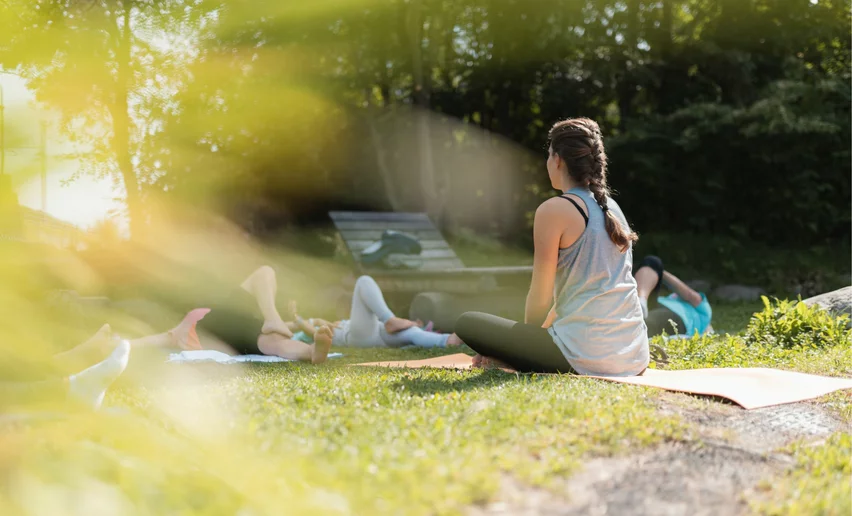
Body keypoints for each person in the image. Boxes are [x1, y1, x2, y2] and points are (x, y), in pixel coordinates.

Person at [454, 117, 649, 376]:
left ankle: (514, 358)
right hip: (634, 356)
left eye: (548, 155)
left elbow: (540, 295)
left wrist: (520, 349)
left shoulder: (553, 210)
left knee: (467, 322)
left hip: (585, 357)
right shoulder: (613, 208)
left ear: (557, 160)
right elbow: (579, 293)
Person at [287, 275, 463, 349]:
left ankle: (446, 341)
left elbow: (316, 321)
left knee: (411, 333)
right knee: (363, 281)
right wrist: (296, 319)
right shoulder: (309, 335)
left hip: (377, 332)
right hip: (356, 337)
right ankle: (390, 319)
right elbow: (308, 328)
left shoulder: (316, 322)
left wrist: (311, 319)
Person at [634, 255, 713, 337]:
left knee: (643, 324)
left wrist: (659, 271)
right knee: (653, 261)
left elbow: (690, 295)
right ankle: (641, 301)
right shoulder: (669, 298)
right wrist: (656, 269)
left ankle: (639, 305)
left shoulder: (706, 314)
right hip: (650, 306)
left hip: (679, 317)